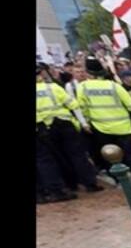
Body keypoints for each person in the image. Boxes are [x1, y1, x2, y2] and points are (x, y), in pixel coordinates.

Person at [75, 56, 131, 187]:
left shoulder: (82, 88)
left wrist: (87, 121)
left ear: (88, 72)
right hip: (123, 127)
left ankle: (118, 180)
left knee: (109, 155)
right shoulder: (114, 86)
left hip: (101, 127)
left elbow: (83, 108)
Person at [37, 63, 101, 201]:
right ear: (40, 75)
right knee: (78, 155)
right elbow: (73, 104)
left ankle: (70, 184)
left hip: (45, 127)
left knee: (59, 158)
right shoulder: (52, 87)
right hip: (65, 124)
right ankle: (90, 183)